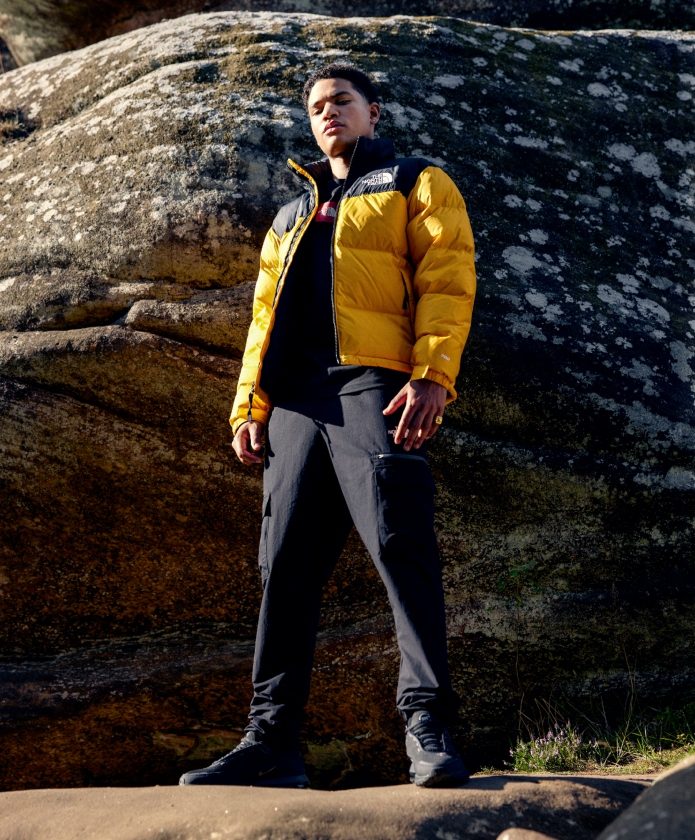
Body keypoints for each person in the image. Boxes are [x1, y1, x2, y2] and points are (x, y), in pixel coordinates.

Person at [179, 62, 476, 789]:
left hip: (372, 384)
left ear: (374, 112)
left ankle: (428, 727)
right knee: (284, 568)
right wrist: (249, 405)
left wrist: (432, 375)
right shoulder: (289, 216)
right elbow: (262, 320)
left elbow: (447, 277)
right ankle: (271, 744)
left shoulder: (415, 182)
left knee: (400, 548)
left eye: (341, 100)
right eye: (316, 107)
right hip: (294, 403)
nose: (328, 113)